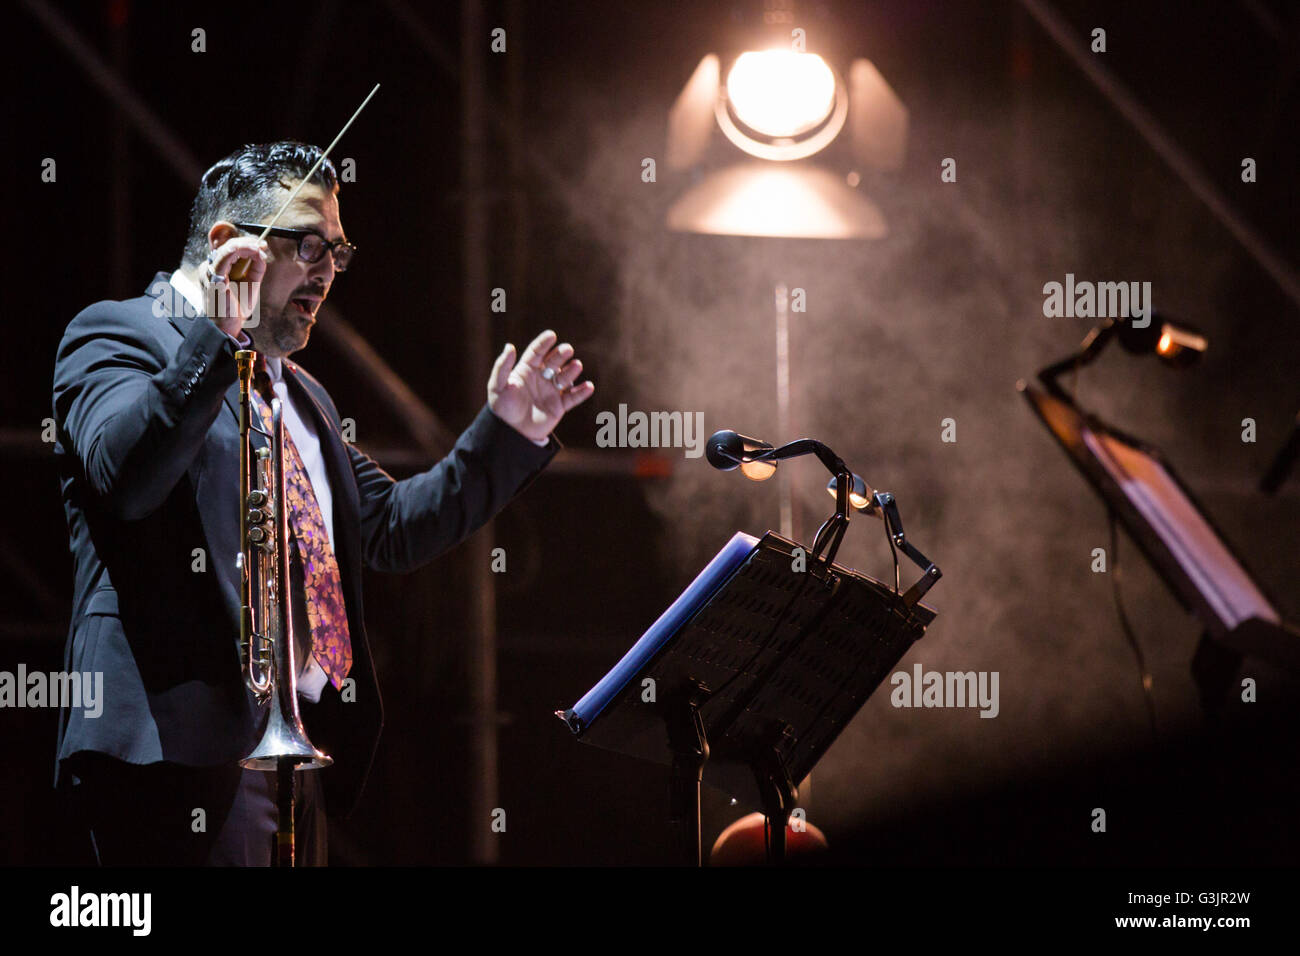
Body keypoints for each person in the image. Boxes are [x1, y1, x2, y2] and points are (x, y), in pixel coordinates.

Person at [50, 140, 594, 865]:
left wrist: (509, 432)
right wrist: (215, 333)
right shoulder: (119, 332)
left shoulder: (300, 395)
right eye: (308, 246)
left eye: (338, 254)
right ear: (226, 244)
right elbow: (126, 476)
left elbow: (393, 528)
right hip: (170, 754)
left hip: (291, 760)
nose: (327, 275)